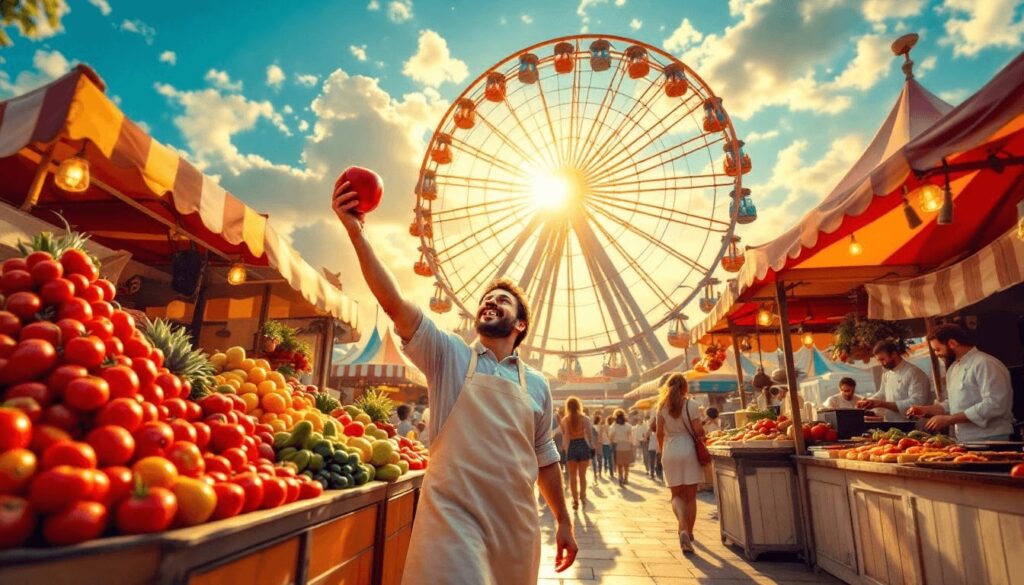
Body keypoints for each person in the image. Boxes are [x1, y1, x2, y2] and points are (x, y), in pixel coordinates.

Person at [333, 183, 577, 583]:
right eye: (487, 298)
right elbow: (394, 302)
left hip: (515, 524)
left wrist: (563, 521)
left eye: (503, 300)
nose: (490, 301)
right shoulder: (449, 356)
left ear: (519, 325)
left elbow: (545, 456)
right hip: (453, 517)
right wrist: (357, 234)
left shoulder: (537, 384)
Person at [907, 324, 1015, 442]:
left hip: (991, 436)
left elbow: (995, 404)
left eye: (937, 349)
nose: (937, 354)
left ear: (952, 343)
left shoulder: (985, 363)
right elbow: (952, 403)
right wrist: (926, 410)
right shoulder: (953, 368)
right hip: (964, 438)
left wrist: (949, 420)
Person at [656, 373, 705, 554]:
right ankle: (688, 533)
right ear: (685, 387)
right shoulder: (691, 404)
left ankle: (682, 527)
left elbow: (659, 432)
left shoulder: (661, 406)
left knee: (676, 495)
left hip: (670, 449)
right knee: (691, 496)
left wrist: (662, 452)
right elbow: (698, 430)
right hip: (688, 449)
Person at [857, 341, 932, 421]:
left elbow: (917, 403)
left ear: (894, 354)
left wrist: (882, 404)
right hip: (892, 423)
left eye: (882, 359)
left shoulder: (914, 373)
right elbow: (882, 394)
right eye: (879, 360)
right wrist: (869, 401)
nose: (881, 363)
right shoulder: (887, 375)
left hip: (912, 425)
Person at [560, 397, 594, 509]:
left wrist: (565, 449)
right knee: (582, 475)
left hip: (572, 447)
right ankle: (583, 497)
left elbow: (566, 437)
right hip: (583, 446)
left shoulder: (565, 420)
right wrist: (592, 447)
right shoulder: (585, 419)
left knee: (572, 476)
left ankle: (575, 500)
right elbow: (589, 434)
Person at [610, 409, 634, 486]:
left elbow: (611, 436)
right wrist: (631, 445)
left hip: (619, 446)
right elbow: (631, 437)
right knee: (626, 464)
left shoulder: (614, 426)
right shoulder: (628, 426)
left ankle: (620, 478)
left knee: (620, 464)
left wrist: (612, 442)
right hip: (627, 446)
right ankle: (625, 478)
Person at [589, 413, 602, 480]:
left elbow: (598, 437)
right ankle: (596, 474)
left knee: (594, 461)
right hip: (593, 446)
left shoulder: (594, 428)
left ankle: (595, 475)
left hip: (592, 447)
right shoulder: (592, 428)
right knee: (595, 460)